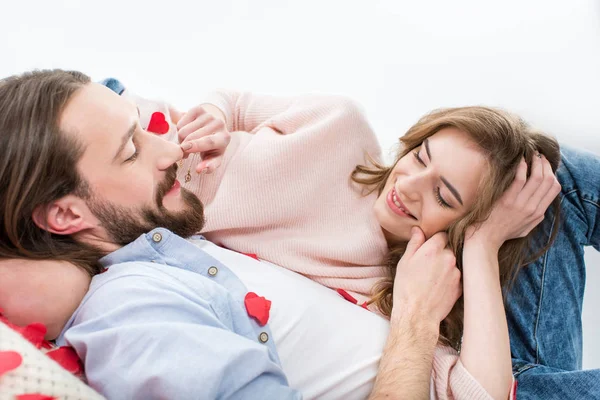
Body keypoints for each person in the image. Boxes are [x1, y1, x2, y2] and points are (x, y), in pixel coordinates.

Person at [0, 69, 501, 399]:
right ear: (64, 216)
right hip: (467, 378)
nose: (171, 149)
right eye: (130, 150)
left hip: (466, 363)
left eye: (142, 128)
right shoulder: (133, 310)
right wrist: (416, 317)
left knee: (545, 176)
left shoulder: (172, 244)